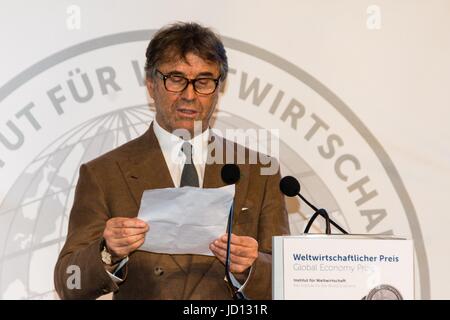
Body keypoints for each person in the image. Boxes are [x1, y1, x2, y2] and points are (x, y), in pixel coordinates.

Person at [54, 22, 289, 300]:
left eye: (203, 82)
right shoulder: (104, 173)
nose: (189, 95)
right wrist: (108, 251)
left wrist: (250, 268)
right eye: (176, 79)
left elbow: (287, 279)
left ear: (218, 90)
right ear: (152, 84)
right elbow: (68, 283)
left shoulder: (259, 172)